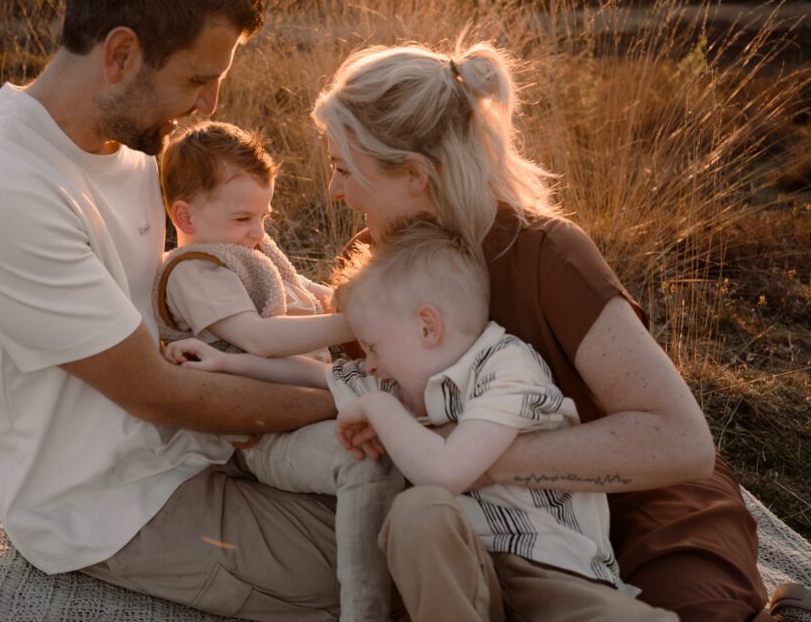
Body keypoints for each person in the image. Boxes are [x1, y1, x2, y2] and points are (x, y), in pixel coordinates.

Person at [0, 0, 345, 620]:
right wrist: (353, 399)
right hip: (111, 506)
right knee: (384, 560)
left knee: (433, 499)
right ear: (121, 55)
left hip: (195, 444)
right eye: (198, 78)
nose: (210, 102)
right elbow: (156, 394)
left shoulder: (134, 155)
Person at [310, 39, 773, 621]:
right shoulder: (376, 269)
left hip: (638, 494)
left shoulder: (548, 252)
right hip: (497, 517)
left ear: (414, 175)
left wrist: (463, 453)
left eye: (342, 169)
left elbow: (680, 443)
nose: (333, 190)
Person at [168, 214, 680, 622]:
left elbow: (446, 469)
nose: (366, 362)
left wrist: (378, 408)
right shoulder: (397, 378)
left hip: (552, 568)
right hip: (461, 570)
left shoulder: (507, 368)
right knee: (417, 514)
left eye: (372, 345)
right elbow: (316, 375)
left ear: (427, 326)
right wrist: (225, 361)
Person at [154, 121, 403, 622]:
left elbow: (297, 308)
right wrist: (355, 320)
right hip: (263, 435)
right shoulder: (194, 269)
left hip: (308, 402)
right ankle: (366, 608)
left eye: (264, 215)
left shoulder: (248, 252)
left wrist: (352, 307)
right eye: (245, 217)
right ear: (186, 215)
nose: (260, 232)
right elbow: (260, 337)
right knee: (367, 458)